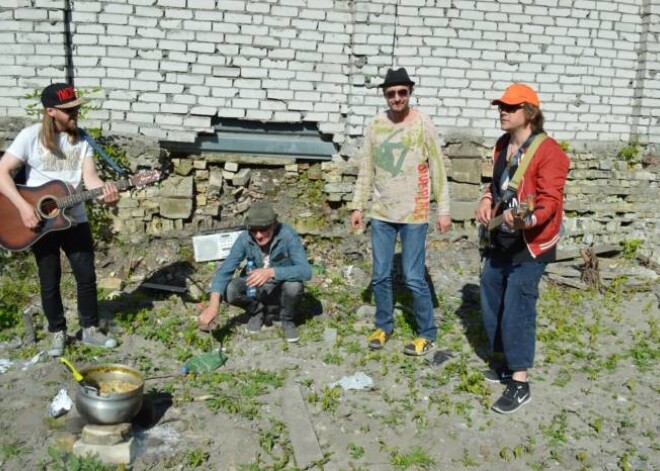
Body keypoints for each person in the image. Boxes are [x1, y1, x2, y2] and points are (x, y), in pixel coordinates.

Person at [0, 83, 120, 357]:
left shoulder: (82, 140)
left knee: (86, 276)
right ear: (51, 111)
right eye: (68, 110)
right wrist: (22, 207)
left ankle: (89, 329)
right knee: (49, 278)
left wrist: (106, 192)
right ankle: (57, 333)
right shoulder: (30, 136)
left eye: (76, 107)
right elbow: (2, 172)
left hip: (75, 218)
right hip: (40, 221)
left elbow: (90, 180)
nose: (75, 113)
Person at [474, 83, 570, 414]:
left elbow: (548, 203)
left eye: (510, 108)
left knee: (518, 303)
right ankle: (503, 360)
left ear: (529, 113)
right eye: (501, 106)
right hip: (501, 237)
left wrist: (525, 222)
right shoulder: (503, 144)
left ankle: (519, 381)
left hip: (531, 243)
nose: (503, 111)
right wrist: (487, 200)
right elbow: (495, 184)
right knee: (490, 290)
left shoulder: (550, 152)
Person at [350, 67, 451, 357]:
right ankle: (384, 325)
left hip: (415, 213)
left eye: (402, 92)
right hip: (382, 212)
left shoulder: (422, 123)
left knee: (412, 276)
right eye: (391, 93)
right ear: (385, 95)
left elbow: (438, 168)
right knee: (380, 274)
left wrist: (443, 210)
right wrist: (358, 205)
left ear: (409, 93)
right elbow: (365, 168)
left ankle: (426, 332)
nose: (397, 98)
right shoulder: (375, 125)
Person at [198, 202, 312, 343]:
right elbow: (225, 271)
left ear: (274, 224)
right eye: (253, 230)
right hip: (256, 289)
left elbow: (305, 271)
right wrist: (213, 306)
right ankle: (257, 311)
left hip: (280, 288)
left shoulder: (288, 235)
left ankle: (286, 319)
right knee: (230, 290)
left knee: (294, 286)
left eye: (263, 229)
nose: (258, 235)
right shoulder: (244, 238)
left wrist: (270, 272)